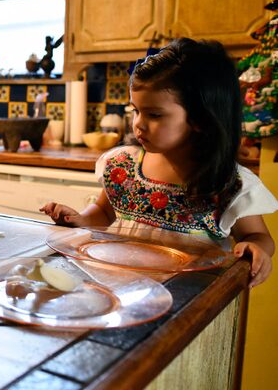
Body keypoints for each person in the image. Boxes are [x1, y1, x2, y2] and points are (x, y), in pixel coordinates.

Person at [40, 38, 278, 287]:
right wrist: (79, 220)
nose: (139, 124)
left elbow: (258, 235)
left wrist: (255, 247)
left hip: (187, 301)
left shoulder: (227, 183)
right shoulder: (123, 166)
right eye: (136, 111)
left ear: (201, 119)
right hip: (120, 287)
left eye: (154, 115)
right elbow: (103, 213)